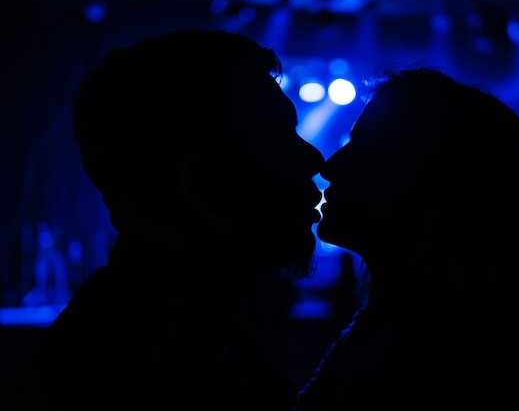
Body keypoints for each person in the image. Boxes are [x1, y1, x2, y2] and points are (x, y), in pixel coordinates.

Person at [11, 28, 325, 410]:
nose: (315, 159)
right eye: (280, 137)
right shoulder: (146, 367)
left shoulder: (156, 335)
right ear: (205, 183)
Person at [295, 66, 519, 410]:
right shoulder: (385, 335)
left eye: (363, 147)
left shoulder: (495, 377)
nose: (329, 167)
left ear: (437, 183)